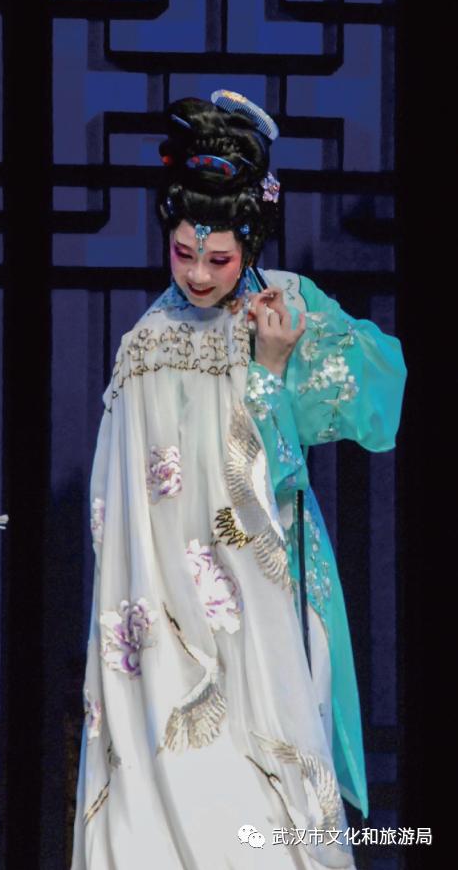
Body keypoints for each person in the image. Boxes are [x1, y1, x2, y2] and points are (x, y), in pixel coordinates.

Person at [70, 93, 406, 869]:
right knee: (163, 785)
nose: (197, 273)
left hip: (259, 586)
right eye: (182, 253)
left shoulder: (283, 308)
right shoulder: (147, 344)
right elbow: (121, 508)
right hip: (159, 601)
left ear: (249, 241)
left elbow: (307, 451)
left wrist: (273, 367)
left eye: (217, 259)